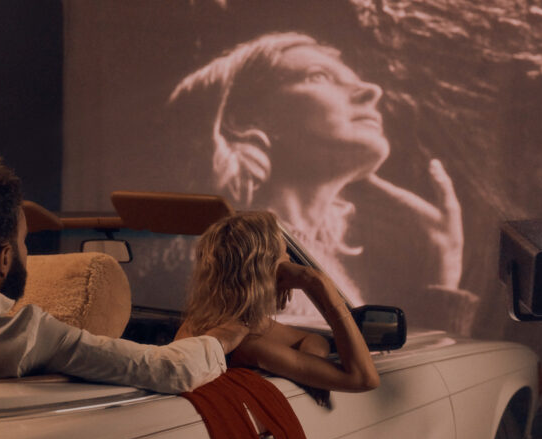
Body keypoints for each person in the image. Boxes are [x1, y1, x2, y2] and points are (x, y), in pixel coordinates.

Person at [168, 31, 477, 333]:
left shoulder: (317, 258)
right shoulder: (238, 251)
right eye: (318, 76)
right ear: (245, 120)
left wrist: (443, 262)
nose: (371, 90)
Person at [0, 154, 248, 393]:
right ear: (4, 259)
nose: (28, 254)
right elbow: (169, 369)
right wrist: (228, 332)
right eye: (24, 242)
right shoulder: (30, 336)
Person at [177, 211, 379, 393]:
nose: (289, 259)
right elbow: (364, 379)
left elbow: (314, 339)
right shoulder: (246, 343)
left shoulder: (219, 321)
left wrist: (311, 368)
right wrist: (318, 282)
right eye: (284, 253)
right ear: (264, 269)